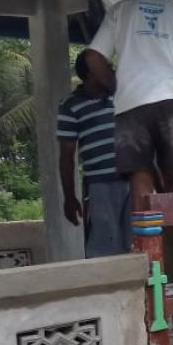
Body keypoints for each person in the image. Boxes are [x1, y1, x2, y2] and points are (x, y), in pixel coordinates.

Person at [83, 0, 173, 286]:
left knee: (142, 185)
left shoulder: (121, 10)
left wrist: (116, 86)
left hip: (131, 106)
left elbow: (93, 58)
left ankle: (152, 268)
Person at [57, 52, 131, 257]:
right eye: (105, 67)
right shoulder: (70, 105)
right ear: (91, 73)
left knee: (137, 243)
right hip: (99, 186)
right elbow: (66, 155)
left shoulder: (122, 95)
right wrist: (69, 197)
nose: (112, 71)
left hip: (132, 180)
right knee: (104, 247)